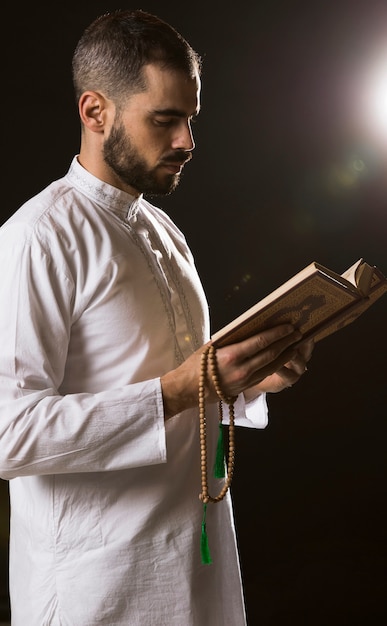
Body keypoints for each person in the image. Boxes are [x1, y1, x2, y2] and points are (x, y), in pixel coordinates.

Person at [0, 9, 313, 625]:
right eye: (166, 120)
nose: (187, 142)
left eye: (190, 119)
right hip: (97, 592)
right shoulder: (37, 238)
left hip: (194, 576)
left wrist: (252, 377)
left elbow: (186, 385)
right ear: (95, 112)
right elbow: (9, 433)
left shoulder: (163, 229)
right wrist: (177, 389)